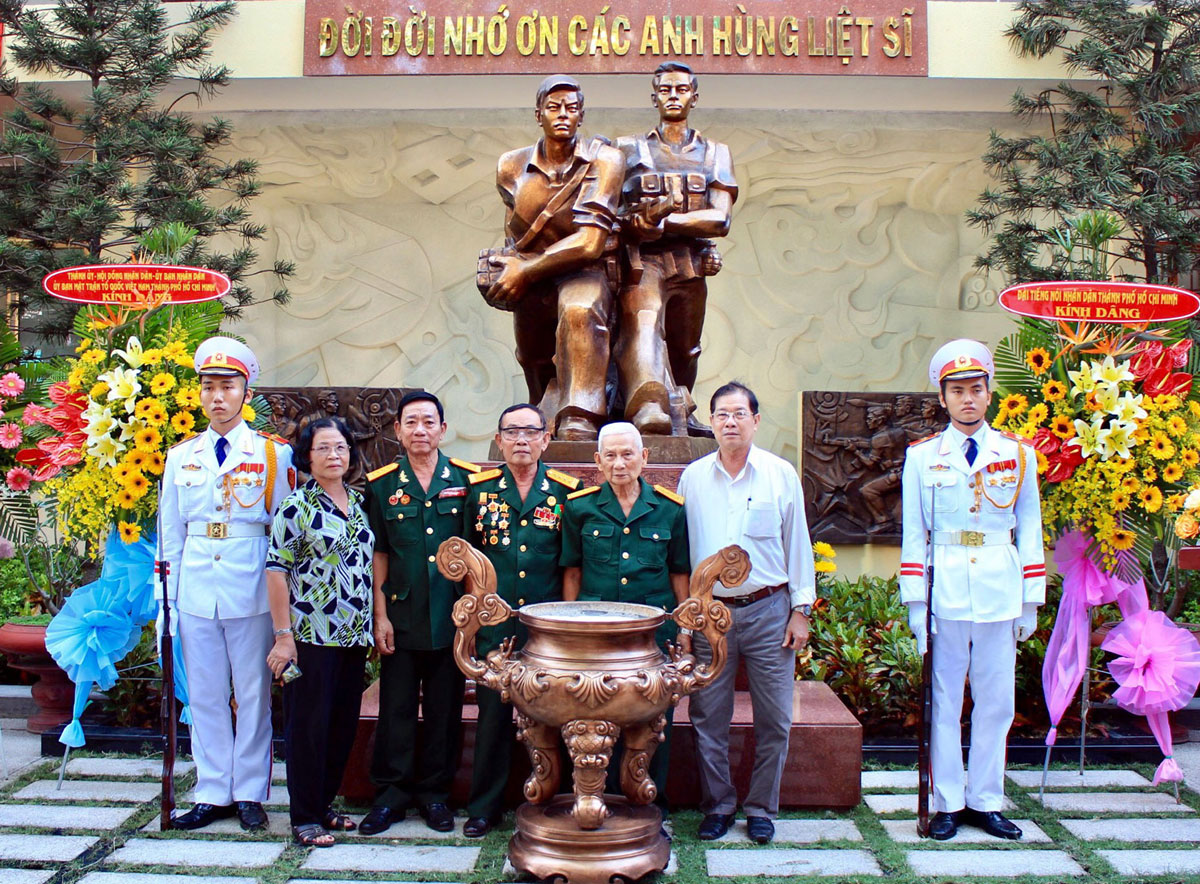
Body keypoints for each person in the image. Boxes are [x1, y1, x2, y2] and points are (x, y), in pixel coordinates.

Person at [900, 340, 1044, 841]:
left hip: (1000, 590)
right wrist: (917, 604)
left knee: (997, 701)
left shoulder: (1018, 454)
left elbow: (1029, 528)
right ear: (942, 398)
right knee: (943, 699)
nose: (967, 399)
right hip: (945, 591)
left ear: (989, 394)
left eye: (975, 389)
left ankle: (986, 800)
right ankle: (947, 803)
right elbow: (914, 534)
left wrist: (1030, 599)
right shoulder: (921, 458)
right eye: (956, 390)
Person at [159, 336, 295, 831]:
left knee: (254, 691)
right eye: (209, 388)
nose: (217, 397)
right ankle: (212, 789)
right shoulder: (181, 456)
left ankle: (250, 793)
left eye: (227, 387)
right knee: (205, 693)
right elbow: (169, 534)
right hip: (195, 587)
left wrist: (286, 612)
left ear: (245, 391)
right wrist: (165, 603)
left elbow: (283, 531)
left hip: (250, 585)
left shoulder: (272, 455)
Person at [676, 381, 815, 845]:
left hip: (768, 611)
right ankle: (717, 806)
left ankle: (760, 808)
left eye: (739, 413)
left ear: (756, 420)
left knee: (774, 717)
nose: (730, 422)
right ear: (710, 422)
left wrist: (801, 610)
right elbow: (682, 552)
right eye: (721, 414)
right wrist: (687, 613)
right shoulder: (692, 478)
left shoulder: (780, 474)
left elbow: (799, 544)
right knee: (706, 715)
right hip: (709, 616)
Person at [360, 391, 480, 835]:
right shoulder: (382, 484)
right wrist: (380, 616)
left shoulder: (466, 482)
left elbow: (473, 557)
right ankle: (390, 796)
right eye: (411, 423)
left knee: (446, 711)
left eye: (429, 422)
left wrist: (471, 617)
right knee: (397, 709)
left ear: (443, 429)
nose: (420, 430)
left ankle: (435, 796)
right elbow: (380, 555)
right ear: (398, 430)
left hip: (451, 618)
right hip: (402, 615)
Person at [460, 403, 580, 837]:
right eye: (512, 432)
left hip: (545, 628)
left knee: (553, 712)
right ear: (499, 439)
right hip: (494, 623)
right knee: (492, 715)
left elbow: (571, 564)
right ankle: (484, 807)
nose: (521, 440)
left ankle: (557, 798)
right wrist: (473, 618)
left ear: (547, 439)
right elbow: (467, 560)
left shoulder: (567, 493)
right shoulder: (479, 491)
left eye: (531, 432)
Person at [487, 75, 625, 440]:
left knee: (579, 309)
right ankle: (540, 412)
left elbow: (590, 241)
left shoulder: (605, 160)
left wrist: (526, 270)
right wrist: (506, 268)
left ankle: (581, 414)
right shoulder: (510, 166)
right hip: (531, 272)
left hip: (585, 269)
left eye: (571, 108)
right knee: (531, 353)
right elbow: (513, 230)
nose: (563, 114)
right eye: (553, 107)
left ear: (582, 115)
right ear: (538, 115)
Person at [560, 421, 690, 806]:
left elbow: (679, 573)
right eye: (611, 456)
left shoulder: (669, 510)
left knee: (653, 722)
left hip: (654, 637)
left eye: (628, 454)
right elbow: (572, 572)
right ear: (598, 461)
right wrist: (569, 630)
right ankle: (603, 798)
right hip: (596, 636)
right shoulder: (579, 508)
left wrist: (683, 631)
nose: (620, 463)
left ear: (644, 458)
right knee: (598, 717)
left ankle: (652, 802)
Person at [265, 416, 374, 847]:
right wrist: (282, 634)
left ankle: (325, 804)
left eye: (341, 447)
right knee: (307, 727)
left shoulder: (360, 501)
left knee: (340, 724)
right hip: (310, 635)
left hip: (352, 637)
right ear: (307, 457)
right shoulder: (296, 506)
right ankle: (304, 815)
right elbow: (277, 572)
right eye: (324, 448)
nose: (334, 455)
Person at [615, 62, 737, 435]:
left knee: (686, 349)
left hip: (691, 264)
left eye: (681, 89)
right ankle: (649, 407)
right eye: (665, 89)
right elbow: (614, 211)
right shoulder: (627, 149)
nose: (673, 95)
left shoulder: (716, 153)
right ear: (654, 97)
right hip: (643, 262)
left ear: (694, 97)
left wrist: (660, 223)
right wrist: (637, 223)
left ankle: (679, 406)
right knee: (645, 324)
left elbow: (720, 220)